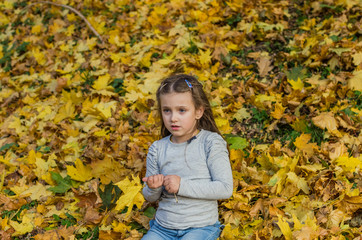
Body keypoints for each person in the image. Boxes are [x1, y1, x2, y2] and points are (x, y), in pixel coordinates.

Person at [142, 74, 233, 240]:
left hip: (200, 228)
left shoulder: (210, 143)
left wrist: (181, 185)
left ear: (198, 111)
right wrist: (153, 187)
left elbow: (225, 188)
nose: (173, 118)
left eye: (181, 110)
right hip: (162, 229)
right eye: (167, 110)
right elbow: (150, 197)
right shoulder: (157, 149)